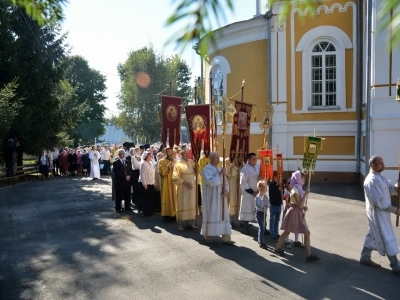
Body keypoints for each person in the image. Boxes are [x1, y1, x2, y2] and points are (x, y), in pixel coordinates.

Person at [360, 155, 400, 274]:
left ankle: (365, 257)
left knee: (372, 234)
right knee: (385, 237)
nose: (383, 165)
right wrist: (395, 210)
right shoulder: (371, 180)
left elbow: (391, 189)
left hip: (383, 215)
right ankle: (396, 266)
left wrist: (398, 187)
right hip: (377, 215)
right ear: (373, 165)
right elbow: (379, 201)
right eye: (381, 164)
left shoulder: (380, 177)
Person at [274, 170, 320, 262]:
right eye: (302, 178)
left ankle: (308, 255)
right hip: (295, 214)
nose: (304, 180)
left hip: (297, 212)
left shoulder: (297, 188)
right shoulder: (295, 189)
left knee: (301, 233)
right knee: (292, 232)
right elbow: (298, 204)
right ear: (298, 178)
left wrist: (304, 207)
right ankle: (308, 256)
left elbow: (299, 204)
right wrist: (306, 195)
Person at [201, 152, 235, 245]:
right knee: (210, 214)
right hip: (211, 197)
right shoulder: (206, 169)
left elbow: (226, 182)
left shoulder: (220, 169)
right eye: (216, 157)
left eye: (218, 157)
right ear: (210, 159)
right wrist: (219, 174)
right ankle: (207, 235)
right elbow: (210, 182)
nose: (218, 159)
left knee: (223, 215)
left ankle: (226, 237)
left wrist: (226, 190)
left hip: (221, 197)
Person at [173, 149, 197, 231]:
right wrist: (185, 183)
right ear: (181, 154)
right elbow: (175, 177)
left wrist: (197, 169)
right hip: (183, 187)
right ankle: (181, 224)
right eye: (185, 153)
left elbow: (196, 171)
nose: (187, 155)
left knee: (191, 203)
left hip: (191, 187)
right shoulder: (177, 163)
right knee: (183, 204)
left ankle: (190, 223)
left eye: (188, 153)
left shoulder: (191, 161)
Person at [239, 152, 258, 235]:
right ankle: (245, 227)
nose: (255, 161)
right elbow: (243, 182)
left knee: (254, 209)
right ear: (248, 159)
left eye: (256, 159)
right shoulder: (245, 169)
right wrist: (251, 192)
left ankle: (252, 225)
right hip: (248, 193)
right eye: (253, 159)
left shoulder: (256, 167)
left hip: (256, 192)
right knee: (247, 209)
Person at [158, 146, 177, 223]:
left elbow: (178, 171)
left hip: (173, 181)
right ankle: (166, 214)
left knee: (173, 197)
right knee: (166, 197)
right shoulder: (161, 161)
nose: (169, 151)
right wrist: (169, 165)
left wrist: (175, 180)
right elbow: (162, 172)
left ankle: (173, 214)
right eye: (167, 150)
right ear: (165, 151)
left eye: (170, 149)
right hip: (166, 181)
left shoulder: (175, 161)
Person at [139, 150, 156, 216]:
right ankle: (145, 211)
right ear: (146, 156)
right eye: (149, 155)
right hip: (145, 183)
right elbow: (142, 175)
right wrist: (144, 184)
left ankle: (150, 210)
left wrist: (154, 182)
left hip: (151, 182)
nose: (150, 156)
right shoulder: (143, 163)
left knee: (151, 197)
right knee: (146, 198)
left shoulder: (150, 163)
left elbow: (153, 173)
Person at [255, 180, 270, 248]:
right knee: (261, 227)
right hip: (259, 213)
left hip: (264, 213)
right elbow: (260, 205)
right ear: (260, 188)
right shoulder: (258, 197)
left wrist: (266, 203)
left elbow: (268, 204)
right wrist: (263, 200)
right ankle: (261, 242)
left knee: (263, 228)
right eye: (264, 188)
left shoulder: (265, 196)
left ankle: (260, 239)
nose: (265, 189)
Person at [225, 158, 239, 228]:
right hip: (230, 184)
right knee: (231, 200)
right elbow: (228, 173)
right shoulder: (227, 160)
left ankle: (239, 219)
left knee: (238, 200)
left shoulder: (239, 159)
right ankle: (230, 220)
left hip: (237, 184)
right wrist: (235, 167)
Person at [269, 173, 283, 241]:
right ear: (274, 177)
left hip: (278, 204)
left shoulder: (280, 185)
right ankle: (272, 234)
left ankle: (276, 233)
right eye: (277, 177)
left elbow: (281, 195)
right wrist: (278, 189)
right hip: (273, 204)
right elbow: (271, 194)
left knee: (277, 220)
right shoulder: (272, 185)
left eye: (280, 177)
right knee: (273, 220)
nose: (279, 178)